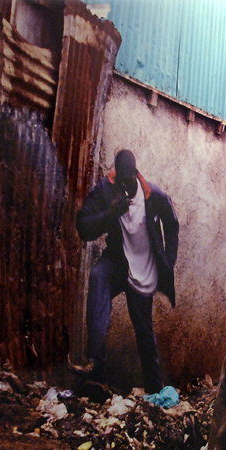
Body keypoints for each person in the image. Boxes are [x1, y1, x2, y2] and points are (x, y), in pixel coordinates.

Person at [76, 149, 179, 394]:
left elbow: (172, 223)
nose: (123, 187)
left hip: (143, 271)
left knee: (144, 330)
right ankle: (95, 364)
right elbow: (83, 226)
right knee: (98, 277)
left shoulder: (153, 195)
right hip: (118, 263)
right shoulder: (106, 190)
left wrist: (167, 261)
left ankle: (155, 389)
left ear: (135, 174)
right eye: (119, 181)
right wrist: (109, 214)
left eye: (127, 181)